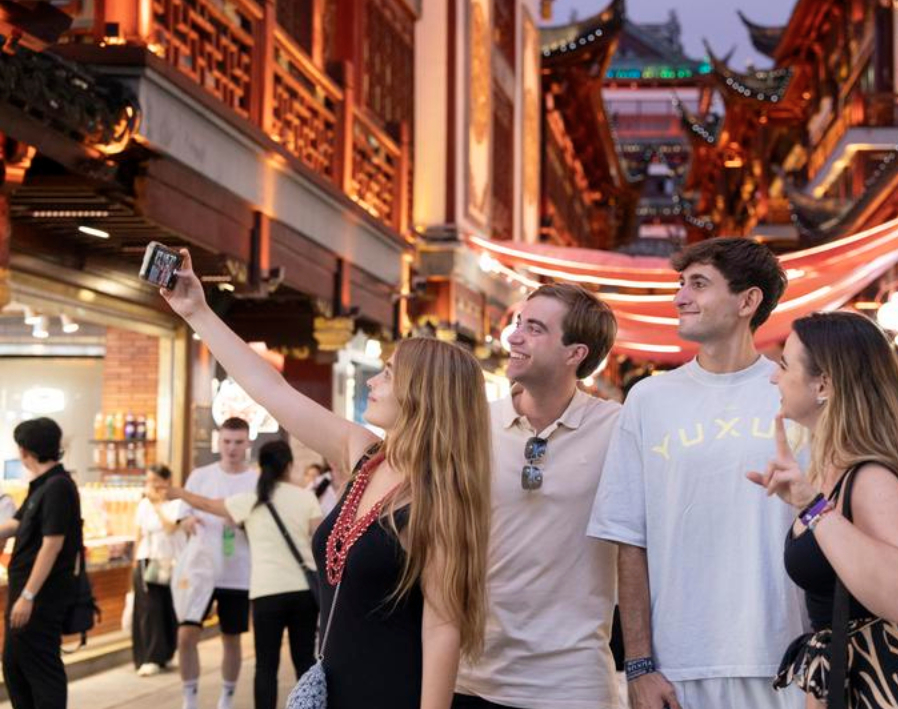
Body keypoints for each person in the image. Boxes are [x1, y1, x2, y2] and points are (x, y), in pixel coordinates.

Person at [160, 247, 490, 709]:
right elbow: (273, 391)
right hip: (330, 687)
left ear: (422, 394)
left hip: (390, 693)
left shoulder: (441, 499)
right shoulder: (366, 455)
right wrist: (197, 311)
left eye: (389, 374)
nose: (374, 382)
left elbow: (442, 630)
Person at [588, 237, 806, 709]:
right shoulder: (649, 399)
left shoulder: (792, 396)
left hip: (788, 661)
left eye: (699, 284)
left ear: (748, 301)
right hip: (679, 667)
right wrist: (639, 665)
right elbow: (630, 539)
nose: (680, 297)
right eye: (681, 284)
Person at [757, 311, 898, 708]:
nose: (774, 377)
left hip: (882, 686)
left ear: (824, 383)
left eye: (784, 365)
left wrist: (811, 507)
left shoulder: (870, 477)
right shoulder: (833, 472)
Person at [454, 283, 622, 709]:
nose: (514, 337)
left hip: (574, 681)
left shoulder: (619, 428)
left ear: (575, 353)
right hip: (472, 676)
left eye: (534, 328)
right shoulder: (472, 421)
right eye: (517, 324)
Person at [169, 441, 324, 708]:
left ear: (261, 467)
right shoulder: (305, 497)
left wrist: (180, 493)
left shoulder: (251, 500)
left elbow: (207, 504)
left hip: (266, 593)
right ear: (289, 466)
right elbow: (320, 542)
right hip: (303, 593)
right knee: (304, 662)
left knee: (265, 666)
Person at [175, 416, 260, 709]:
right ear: (218, 441)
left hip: (238, 570)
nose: (232, 448)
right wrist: (188, 521)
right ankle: (190, 697)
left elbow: (262, 525)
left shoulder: (256, 480)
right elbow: (182, 515)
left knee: (231, 637)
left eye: (238, 442)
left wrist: (241, 522)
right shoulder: (200, 476)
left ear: (248, 442)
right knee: (186, 634)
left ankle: (227, 697)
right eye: (226, 441)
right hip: (200, 569)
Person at [0, 418, 84, 709]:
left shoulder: (58, 487)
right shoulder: (42, 486)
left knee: (41, 668)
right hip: (26, 596)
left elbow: (52, 544)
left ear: (25, 451)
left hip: (40, 598)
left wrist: (28, 595)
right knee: (14, 663)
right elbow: (14, 524)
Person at [133, 465, 183, 676]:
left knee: (169, 610)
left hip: (171, 561)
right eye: (149, 480)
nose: (152, 485)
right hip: (148, 561)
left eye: (156, 480)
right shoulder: (143, 505)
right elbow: (138, 534)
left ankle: (166, 654)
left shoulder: (177, 504)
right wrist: (134, 563)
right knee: (149, 610)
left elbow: (171, 528)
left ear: (167, 480)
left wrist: (158, 506)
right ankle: (149, 657)